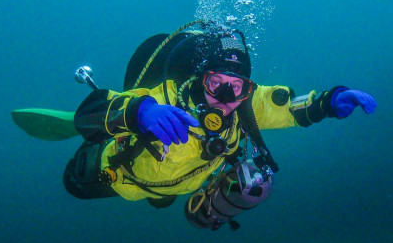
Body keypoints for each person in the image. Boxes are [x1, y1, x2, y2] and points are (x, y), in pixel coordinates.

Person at [62, 22, 376, 230]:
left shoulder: (244, 106)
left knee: (161, 203)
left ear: (246, 88)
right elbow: (90, 113)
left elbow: (287, 107)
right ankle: (99, 145)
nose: (225, 98)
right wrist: (138, 112)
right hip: (121, 177)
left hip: (178, 187)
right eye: (216, 83)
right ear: (201, 80)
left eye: (235, 87)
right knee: (73, 183)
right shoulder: (165, 99)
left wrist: (328, 102)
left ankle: (161, 195)